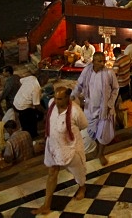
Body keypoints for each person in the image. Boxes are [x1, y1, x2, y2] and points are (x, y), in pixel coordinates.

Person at [31, 87, 88, 215]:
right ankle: (46, 205)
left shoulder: (75, 111)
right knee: (52, 173)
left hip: (70, 149)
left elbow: (84, 125)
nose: (56, 101)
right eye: (55, 98)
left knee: (78, 173)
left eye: (60, 99)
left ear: (68, 98)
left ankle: (82, 187)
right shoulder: (51, 103)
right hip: (53, 147)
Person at [13, 72, 43, 139]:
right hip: (23, 107)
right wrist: (44, 111)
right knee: (32, 118)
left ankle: (26, 130)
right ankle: (32, 135)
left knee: (25, 119)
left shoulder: (31, 78)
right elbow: (37, 105)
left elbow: (20, 81)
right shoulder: (36, 88)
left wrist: (24, 91)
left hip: (17, 101)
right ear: (42, 79)